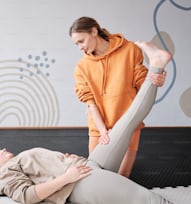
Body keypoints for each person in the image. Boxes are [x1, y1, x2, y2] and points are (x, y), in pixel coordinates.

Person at [0, 41, 172, 204]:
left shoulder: (17, 161)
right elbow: (27, 196)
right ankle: (156, 64)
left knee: (129, 120)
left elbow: (45, 170)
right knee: (146, 199)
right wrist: (66, 177)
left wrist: (64, 160)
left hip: (87, 164)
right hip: (78, 183)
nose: (4, 149)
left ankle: (156, 65)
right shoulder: (4, 174)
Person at [69, 16, 167, 177]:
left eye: (81, 41)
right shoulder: (82, 67)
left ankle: (158, 62)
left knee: (123, 175)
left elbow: (142, 82)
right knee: (96, 175)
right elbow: (90, 104)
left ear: (94, 31)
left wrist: (157, 77)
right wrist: (102, 131)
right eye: (76, 44)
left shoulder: (129, 50)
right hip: (99, 128)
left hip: (128, 124)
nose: (79, 47)